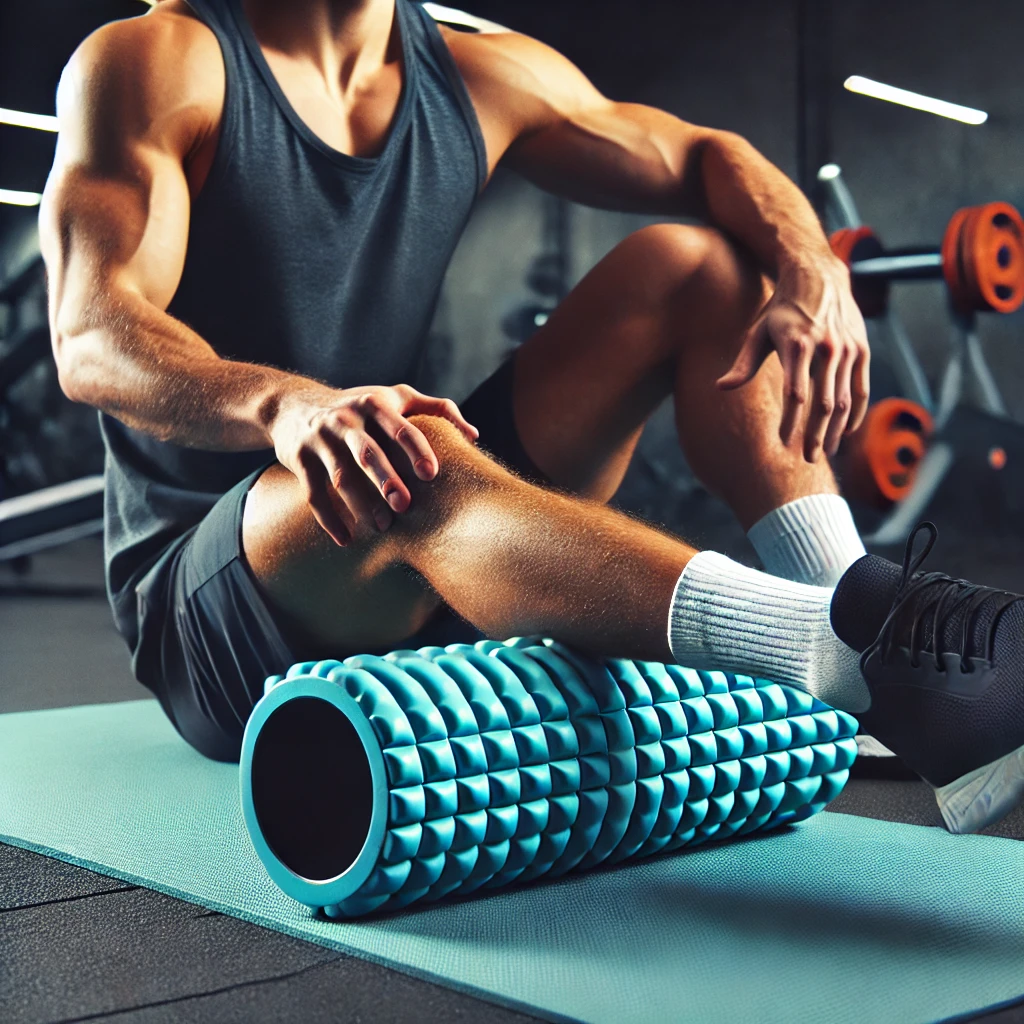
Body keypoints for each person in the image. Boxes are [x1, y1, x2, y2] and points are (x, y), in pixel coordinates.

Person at [39, 0, 1024, 834]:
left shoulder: (480, 72)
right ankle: (843, 645)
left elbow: (708, 155)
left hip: (406, 527)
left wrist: (811, 264)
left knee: (701, 268)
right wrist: (288, 405)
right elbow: (90, 333)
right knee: (403, 445)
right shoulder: (161, 60)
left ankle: (858, 621)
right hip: (213, 611)